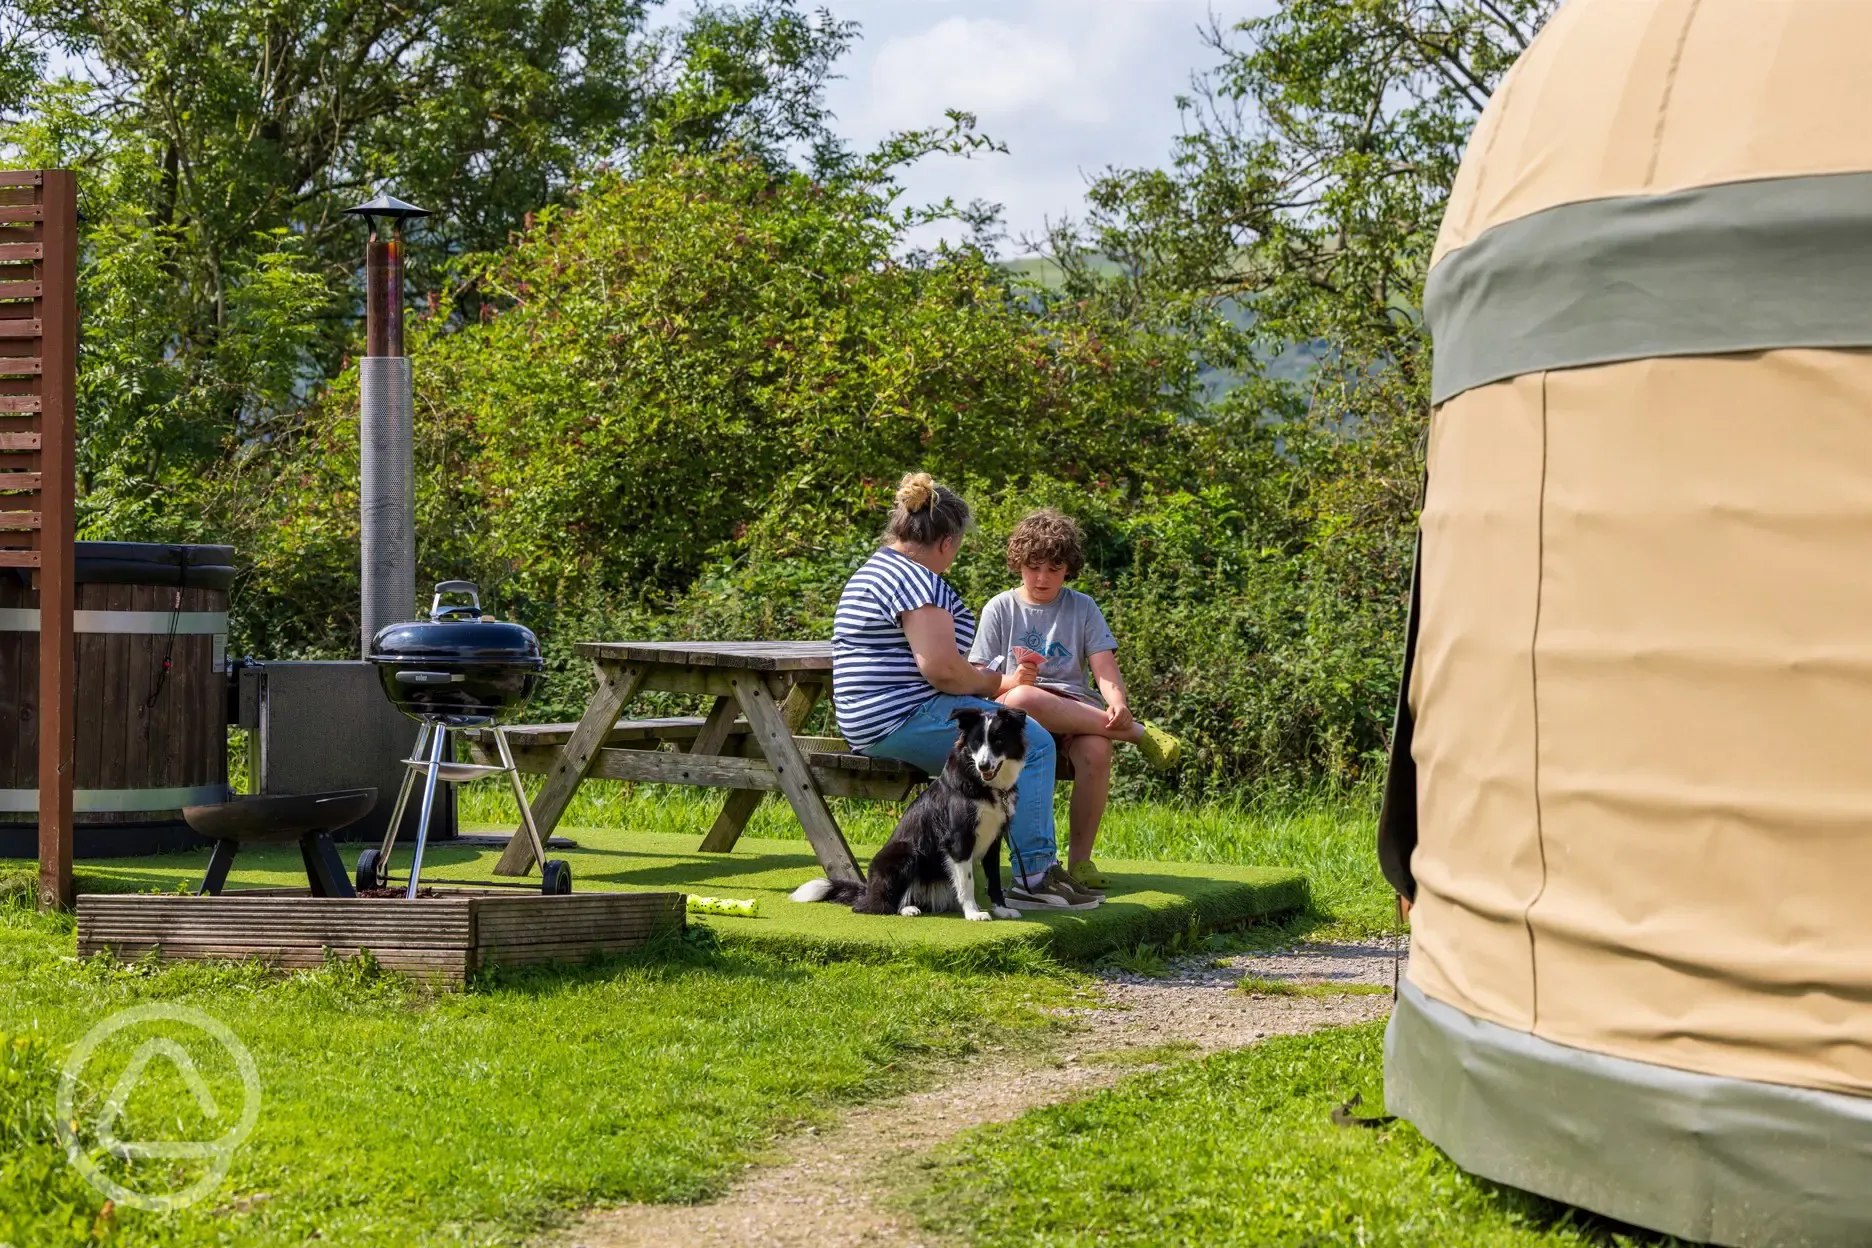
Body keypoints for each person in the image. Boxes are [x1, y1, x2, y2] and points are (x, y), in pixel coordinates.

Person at [831, 473, 1101, 911]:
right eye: (956, 548)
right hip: (902, 717)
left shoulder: (878, 568)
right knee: (1033, 746)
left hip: (873, 717)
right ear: (946, 542)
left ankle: (1013, 871)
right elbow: (942, 671)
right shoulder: (917, 580)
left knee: (1007, 742)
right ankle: (1035, 878)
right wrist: (1001, 683)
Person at [968, 508, 1181, 892]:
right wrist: (1007, 682)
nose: (1042, 577)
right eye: (1033, 567)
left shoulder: (1082, 606)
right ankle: (1136, 734)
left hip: (1075, 710)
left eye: (1054, 567)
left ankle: (1080, 861)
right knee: (1022, 696)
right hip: (1016, 710)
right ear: (1018, 563)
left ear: (1069, 567)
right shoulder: (1000, 607)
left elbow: (1104, 669)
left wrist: (1116, 701)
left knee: (1098, 751)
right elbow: (979, 677)